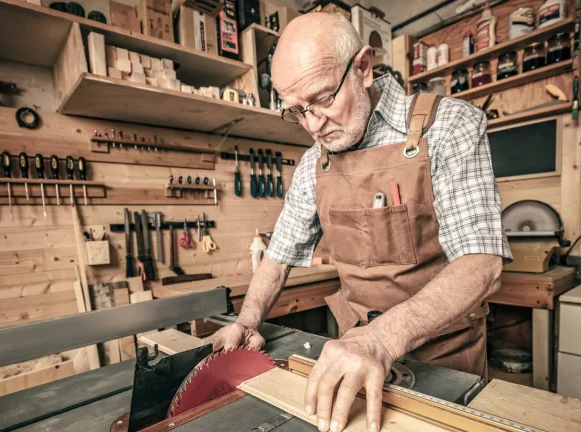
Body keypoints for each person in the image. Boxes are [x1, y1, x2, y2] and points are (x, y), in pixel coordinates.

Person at [204, 12, 512, 432]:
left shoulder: (448, 125)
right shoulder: (315, 161)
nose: (313, 125)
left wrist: (382, 338)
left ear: (363, 68)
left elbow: (482, 263)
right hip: (352, 357)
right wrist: (247, 320)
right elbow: (278, 256)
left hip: (446, 358)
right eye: (298, 111)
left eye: (323, 99)